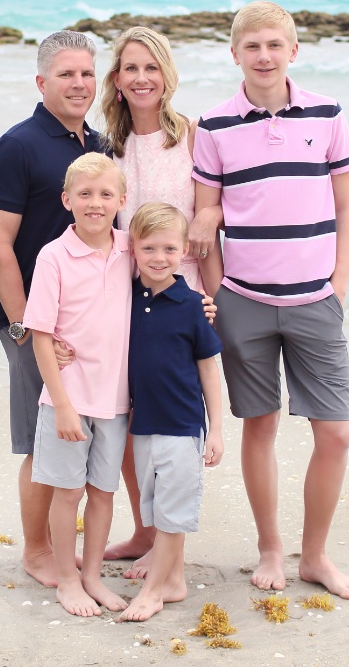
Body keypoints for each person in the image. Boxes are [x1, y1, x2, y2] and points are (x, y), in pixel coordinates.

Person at [192, 1, 349, 599]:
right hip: (243, 300)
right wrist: (215, 293)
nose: (263, 56)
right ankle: (270, 548)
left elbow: (346, 206)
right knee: (259, 426)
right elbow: (204, 217)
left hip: (316, 300)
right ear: (234, 53)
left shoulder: (327, 112)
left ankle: (315, 556)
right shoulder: (212, 126)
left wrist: (338, 284)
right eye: (252, 46)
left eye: (274, 45)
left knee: (336, 432)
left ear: (294, 51)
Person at [97, 26, 222, 574]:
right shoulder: (106, 147)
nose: (141, 77)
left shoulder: (194, 138)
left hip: (184, 296)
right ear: (118, 80)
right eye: (130, 68)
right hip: (124, 298)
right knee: (127, 417)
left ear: (166, 75)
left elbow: (207, 227)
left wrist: (213, 299)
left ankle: (169, 545)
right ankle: (144, 530)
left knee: (174, 420)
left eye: (151, 67)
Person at [0, 30, 103, 587]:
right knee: (40, 438)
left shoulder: (96, 144)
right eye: (66, 75)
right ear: (41, 82)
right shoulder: (18, 146)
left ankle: (61, 545)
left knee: (77, 434)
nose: (79, 85)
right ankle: (35, 551)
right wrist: (27, 327)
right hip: (30, 322)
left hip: (87, 324)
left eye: (86, 74)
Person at [23, 153, 132, 616]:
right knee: (67, 493)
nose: (95, 203)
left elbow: (170, 286)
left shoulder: (132, 249)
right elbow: (41, 335)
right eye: (85, 194)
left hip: (117, 398)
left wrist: (204, 307)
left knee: (104, 493)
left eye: (106, 194)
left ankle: (92, 576)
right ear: (67, 200)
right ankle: (68, 578)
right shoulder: (53, 256)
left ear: (121, 200)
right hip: (67, 397)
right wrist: (63, 405)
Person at [117, 203, 224, 623]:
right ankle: (174, 578)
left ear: (184, 251)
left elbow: (209, 372)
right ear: (132, 249)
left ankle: (153, 590)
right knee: (157, 506)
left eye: (168, 248)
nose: (159, 257)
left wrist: (216, 430)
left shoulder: (194, 305)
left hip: (182, 423)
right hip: (141, 422)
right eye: (148, 248)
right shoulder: (126, 298)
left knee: (174, 507)